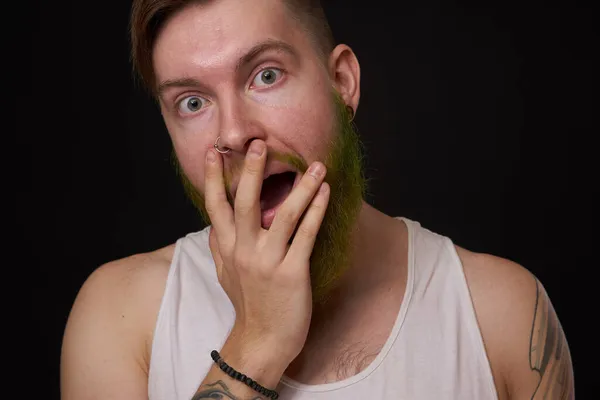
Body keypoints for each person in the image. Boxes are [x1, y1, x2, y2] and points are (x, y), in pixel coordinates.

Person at [60, 0, 575, 399]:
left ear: (342, 83)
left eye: (266, 75)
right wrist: (257, 344)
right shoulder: (120, 319)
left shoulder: (502, 315)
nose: (234, 132)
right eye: (192, 103)